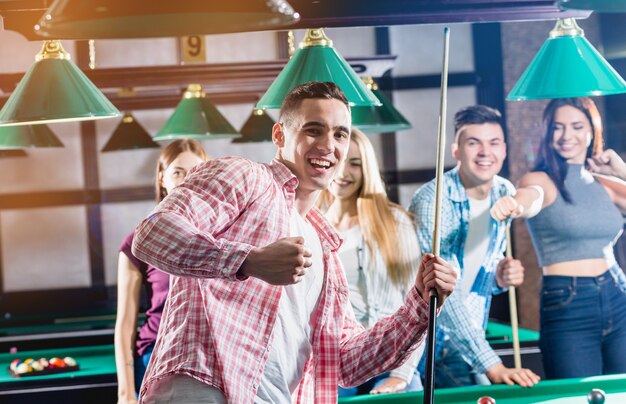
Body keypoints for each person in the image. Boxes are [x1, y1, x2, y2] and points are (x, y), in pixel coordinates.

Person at [131, 81, 457, 404]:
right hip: (203, 391)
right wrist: (248, 261)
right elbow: (153, 234)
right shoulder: (245, 177)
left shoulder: (325, 245)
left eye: (340, 133)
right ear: (279, 136)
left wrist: (419, 304)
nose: (329, 145)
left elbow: (346, 361)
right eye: (313, 130)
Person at [491, 97, 626, 380]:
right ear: (546, 132)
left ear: (592, 131)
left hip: (618, 294)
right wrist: (515, 204)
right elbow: (531, 197)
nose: (567, 136)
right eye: (557, 127)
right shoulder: (540, 179)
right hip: (569, 303)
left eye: (577, 126)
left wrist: (621, 170)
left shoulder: (605, 184)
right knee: (575, 394)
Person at [408, 105, 540, 388]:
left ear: (504, 149)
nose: (485, 152)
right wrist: (493, 366)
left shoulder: (503, 192)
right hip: (428, 340)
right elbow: (439, 291)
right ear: (456, 150)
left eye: (493, 143)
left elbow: (474, 278)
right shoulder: (434, 200)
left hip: (467, 334)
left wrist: (499, 278)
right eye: (473, 143)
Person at [319, 128, 424, 396]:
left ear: (367, 169)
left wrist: (400, 377)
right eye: (340, 161)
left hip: (392, 358)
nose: (344, 173)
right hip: (339, 360)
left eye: (355, 164)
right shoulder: (314, 225)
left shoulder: (395, 222)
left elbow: (420, 304)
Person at [114, 139, 209, 404]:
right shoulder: (137, 242)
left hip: (209, 357)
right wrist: (125, 394)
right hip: (157, 355)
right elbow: (125, 325)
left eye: (196, 172)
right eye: (177, 172)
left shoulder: (224, 238)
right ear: (162, 178)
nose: (187, 180)